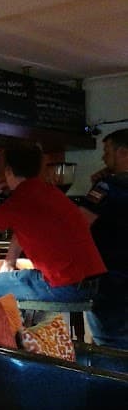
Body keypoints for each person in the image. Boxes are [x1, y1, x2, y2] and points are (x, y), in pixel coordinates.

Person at [0, 146, 105, 305]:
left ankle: (12, 329)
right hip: (94, 284)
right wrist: (10, 260)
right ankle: (21, 325)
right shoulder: (53, 193)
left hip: (63, 286)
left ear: (8, 171)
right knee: (26, 282)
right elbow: (23, 228)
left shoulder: (17, 202)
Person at [79, 128, 128, 348]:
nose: (103, 158)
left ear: (123, 153)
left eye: (107, 152)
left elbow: (79, 224)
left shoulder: (109, 186)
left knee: (110, 345)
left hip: (112, 279)